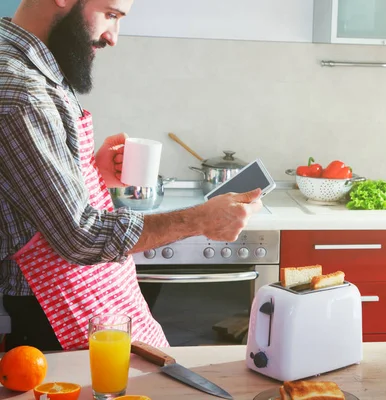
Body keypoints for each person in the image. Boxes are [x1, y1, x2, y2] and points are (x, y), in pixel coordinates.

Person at [0, 0, 263, 351]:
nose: (113, 37)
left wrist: (93, 172)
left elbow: (22, 196)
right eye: (110, 14)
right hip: (56, 312)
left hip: (73, 298)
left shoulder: (32, 68)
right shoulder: (23, 93)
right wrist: (198, 220)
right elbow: (80, 236)